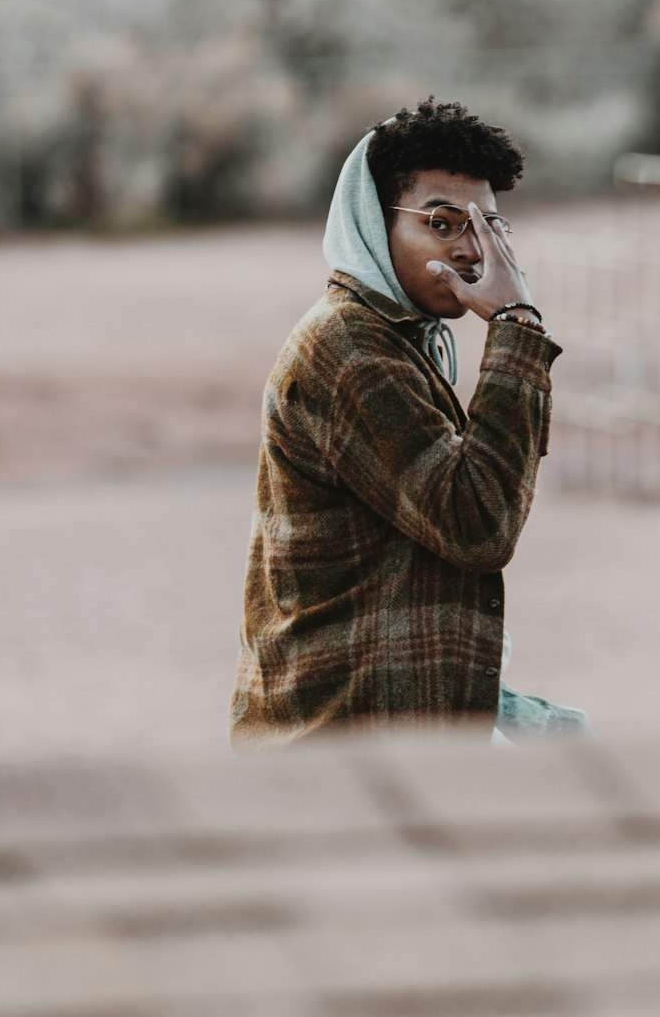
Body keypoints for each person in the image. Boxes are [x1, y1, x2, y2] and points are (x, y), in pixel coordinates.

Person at [230, 97, 590, 747]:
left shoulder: (398, 337)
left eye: (488, 228)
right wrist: (516, 327)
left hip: (397, 713)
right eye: (443, 223)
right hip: (343, 738)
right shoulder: (350, 350)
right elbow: (478, 524)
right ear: (374, 224)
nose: (474, 252)